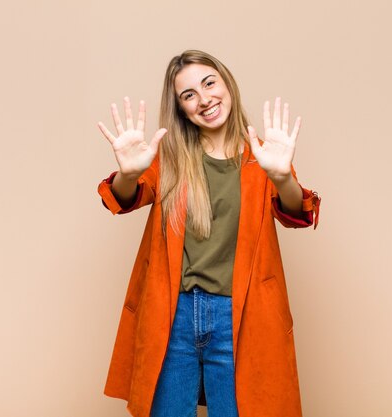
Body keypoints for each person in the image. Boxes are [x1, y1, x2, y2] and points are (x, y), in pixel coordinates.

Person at [96, 50, 321, 417]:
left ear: (226, 82)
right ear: (182, 110)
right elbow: (123, 198)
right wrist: (130, 173)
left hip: (240, 316)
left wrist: (281, 177)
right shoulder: (169, 156)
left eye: (209, 83)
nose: (204, 100)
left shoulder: (265, 156)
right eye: (189, 96)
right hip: (176, 316)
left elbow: (296, 212)